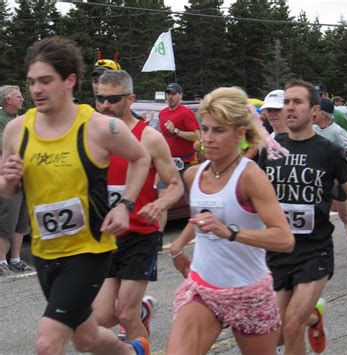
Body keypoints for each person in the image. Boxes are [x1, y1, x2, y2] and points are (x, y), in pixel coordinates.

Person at [0, 36, 151, 354]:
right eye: (31, 82)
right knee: (86, 339)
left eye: (45, 81)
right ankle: (134, 351)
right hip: (45, 252)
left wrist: (125, 204)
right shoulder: (16, 130)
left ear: (70, 81)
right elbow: (6, 188)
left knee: (47, 341)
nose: (37, 90)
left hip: (88, 250)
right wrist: (9, 180)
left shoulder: (100, 127)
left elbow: (141, 158)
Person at [167, 86, 294, 354]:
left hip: (249, 292)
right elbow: (203, 220)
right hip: (204, 290)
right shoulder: (194, 175)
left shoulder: (251, 177)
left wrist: (232, 233)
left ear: (239, 134)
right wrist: (178, 245)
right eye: (205, 129)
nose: (208, 138)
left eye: (219, 130)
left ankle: (310, 318)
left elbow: (284, 239)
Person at [259, 79, 347, 354]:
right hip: (278, 251)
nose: (289, 108)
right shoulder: (269, 148)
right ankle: (314, 317)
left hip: (314, 251)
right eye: (286, 102)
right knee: (278, 334)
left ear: (314, 110)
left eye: (297, 102)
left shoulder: (327, 150)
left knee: (293, 325)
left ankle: (305, 316)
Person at [92, 70, 183, 341]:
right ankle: (145, 311)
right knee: (102, 317)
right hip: (106, 236)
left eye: (113, 99)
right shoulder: (90, 135)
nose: (105, 105)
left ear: (130, 99)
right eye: (100, 98)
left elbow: (175, 184)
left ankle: (138, 329)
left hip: (140, 235)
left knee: (125, 314)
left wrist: (160, 205)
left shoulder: (149, 138)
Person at [158, 82, 200, 232]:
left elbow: (196, 135)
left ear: (180, 95)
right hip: (168, 163)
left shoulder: (185, 112)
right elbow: (162, 136)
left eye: (173, 93)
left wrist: (176, 130)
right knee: (162, 198)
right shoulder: (162, 113)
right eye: (168, 93)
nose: (169, 97)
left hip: (186, 162)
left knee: (192, 200)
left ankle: (198, 230)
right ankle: (158, 237)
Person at [313, 98, 347, 227]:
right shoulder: (313, 128)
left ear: (323, 114)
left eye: (315, 110)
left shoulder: (337, 131)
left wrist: (340, 166)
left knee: (342, 214)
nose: (311, 113)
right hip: (316, 176)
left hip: (334, 178)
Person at [0, 85, 32, 276]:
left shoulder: (19, 120)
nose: (22, 99)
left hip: (24, 176)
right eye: (18, 97)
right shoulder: (2, 121)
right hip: (9, 177)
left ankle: (16, 259)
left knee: (21, 221)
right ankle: (2, 260)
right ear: (7, 101)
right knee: (6, 220)